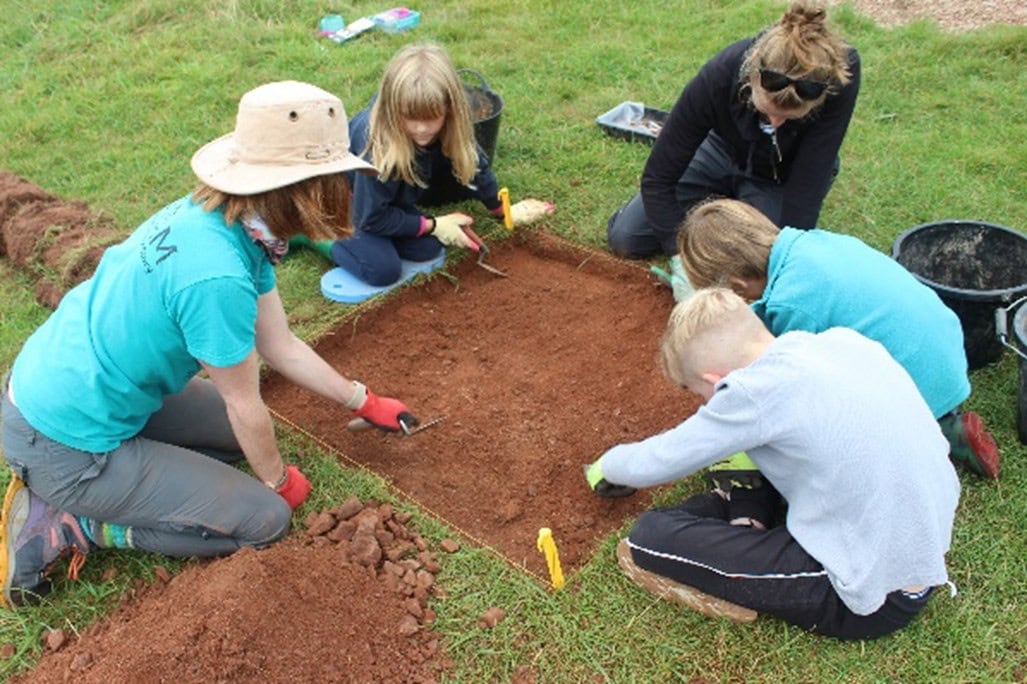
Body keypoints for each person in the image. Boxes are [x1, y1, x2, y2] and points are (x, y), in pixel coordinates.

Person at [0, 81, 418, 610]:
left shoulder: (238, 224)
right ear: (301, 186)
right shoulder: (216, 277)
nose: (343, 191)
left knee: (231, 435)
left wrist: (364, 400)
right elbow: (245, 403)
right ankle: (76, 521)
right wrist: (277, 481)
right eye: (334, 178)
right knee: (264, 520)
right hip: (61, 439)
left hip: (83, 387)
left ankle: (129, 478)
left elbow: (281, 344)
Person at [585, 288, 960, 640]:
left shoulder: (752, 391)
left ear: (714, 380)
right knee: (752, 466)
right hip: (915, 544)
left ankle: (745, 520)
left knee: (650, 537)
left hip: (872, 594)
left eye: (700, 394)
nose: (704, 405)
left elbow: (661, 458)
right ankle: (750, 515)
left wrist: (608, 465)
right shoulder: (842, 342)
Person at [678, 198, 1000, 483]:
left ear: (736, 285)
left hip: (914, 393)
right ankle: (948, 423)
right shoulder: (812, 243)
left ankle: (932, 429)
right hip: (945, 356)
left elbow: (794, 387)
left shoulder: (788, 305)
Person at [606, 0, 859, 260]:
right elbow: (658, 178)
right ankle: (731, 200)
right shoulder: (721, 73)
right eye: (767, 111)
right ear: (750, 78)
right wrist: (681, 257)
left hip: (783, 172)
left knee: (761, 259)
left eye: (787, 118)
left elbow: (807, 187)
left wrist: (783, 255)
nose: (775, 124)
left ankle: (744, 204)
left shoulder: (839, 75)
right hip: (721, 150)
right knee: (627, 238)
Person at [291, 42, 553, 286]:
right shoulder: (379, 149)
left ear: (449, 109)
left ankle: (382, 234)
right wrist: (434, 224)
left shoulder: (451, 126)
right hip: (346, 200)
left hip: (385, 201)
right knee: (382, 270)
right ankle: (309, 229)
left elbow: (475, 164)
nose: (422, 129)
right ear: (393, 110)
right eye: (411, 118)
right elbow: (371, 218)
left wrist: (500, 209)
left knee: (428, 250)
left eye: (432, 118)